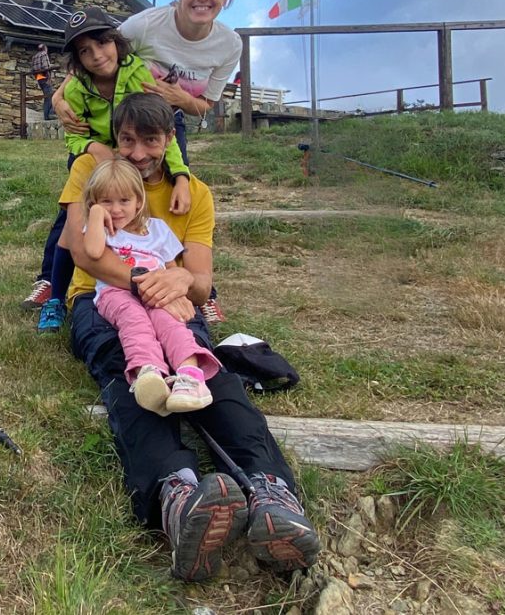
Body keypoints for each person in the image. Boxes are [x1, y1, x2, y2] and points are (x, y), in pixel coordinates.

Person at [61, 93, 320, 582]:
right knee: (129, 363)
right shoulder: (90, 176)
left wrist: (180, 283)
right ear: (115, 139)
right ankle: (174, 495)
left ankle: (270, 491)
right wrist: (151, 283)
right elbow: (83, 253)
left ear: (170, 140)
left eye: (151, 140)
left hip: (171, 301)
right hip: (101, 302)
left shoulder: (195, 193)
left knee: (202, 364)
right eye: (128, 140)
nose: (138, 153)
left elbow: (201, 280)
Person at [46, 0, 242, 325]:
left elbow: (206, 104)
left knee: (173, 191)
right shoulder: (145, 25)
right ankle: (54, 282)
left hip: (163, 119)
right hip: (113, 131)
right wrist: (60, 99)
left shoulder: (228, 44)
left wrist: (181, 169)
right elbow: (97, 54)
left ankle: (198, 287)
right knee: (80, 197)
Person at [33, 7, 191, 335]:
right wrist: (94, 149)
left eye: (102, 43)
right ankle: (55, 294)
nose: (96, 55)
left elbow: (160, 127)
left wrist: (181, 176)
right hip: (97, 158)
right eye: (84, 51)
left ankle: (186, 285)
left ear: (117, 42)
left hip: (136, 152)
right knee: (70, 224)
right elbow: (73, 134)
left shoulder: (139, 74)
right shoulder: (76, 89)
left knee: (152, 213)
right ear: (76, 61)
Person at [82, 158, 220, 414]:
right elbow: (91, 251)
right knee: (134, 321)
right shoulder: (100, 229)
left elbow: (169, 268)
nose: (115, 209)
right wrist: (95, 215)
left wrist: (177, 295)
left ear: (139, 200)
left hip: (156, 290)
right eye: (106, 202)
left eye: (124, 201)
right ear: (94, 202)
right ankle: (149, 373)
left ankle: (190, 377)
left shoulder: (157, 229)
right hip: (116, 293)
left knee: (170, 324)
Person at [31, 43, 55, 121]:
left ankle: (46, 116)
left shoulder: (34, 56)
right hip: (45, 77)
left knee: (47, 97)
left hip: (39, 78)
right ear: (45, 48)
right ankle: (49, 115)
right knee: (51, 96)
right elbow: (46, 67)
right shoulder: (44, 54)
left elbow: (33, 70)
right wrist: (49, 78)